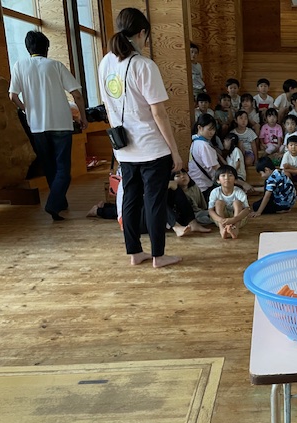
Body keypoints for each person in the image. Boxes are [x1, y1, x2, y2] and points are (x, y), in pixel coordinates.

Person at [98, 7, 183, 267]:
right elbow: (159, 113)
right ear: (142, 32)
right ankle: (159, 255)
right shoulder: (145, 65)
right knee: (155, 201)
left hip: (124, 148)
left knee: (130, 199)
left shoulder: (105, 63)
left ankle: (134, 253)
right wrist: (175, 151)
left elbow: (108, 106)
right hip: (152, 147)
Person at [9, 31, 88, 221]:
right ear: (47, 48)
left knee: (50, 167)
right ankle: (53, 204)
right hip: (61, 123)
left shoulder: (19, 66)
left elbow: (12, 96)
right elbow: (76, 94)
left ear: (28, 48)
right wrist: (83, 117)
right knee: (63, 170)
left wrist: (26, 109)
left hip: (37, 126)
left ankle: (60, 202)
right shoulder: (55, 65)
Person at [208, 165, 250, 239]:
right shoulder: (215, 192)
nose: (227, 178)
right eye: (223, 175)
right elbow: (210, 210)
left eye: (230, 175)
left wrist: (234, 219)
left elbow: (247, 209)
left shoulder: (239, 192)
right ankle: (222, 229)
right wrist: (221, 220)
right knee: (218, 203)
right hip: (221, 219)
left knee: (237, 202)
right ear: (218, 180)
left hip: (237, 219)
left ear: (235, 180)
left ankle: (235, 229)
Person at [189, 114, 220, 201]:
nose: (212, 132)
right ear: (200, 128)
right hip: (204, 186)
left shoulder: (195, 142)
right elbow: (216, 167)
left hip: (197, 185)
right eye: (209, 129)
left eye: (214, 129)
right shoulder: (203, 145)